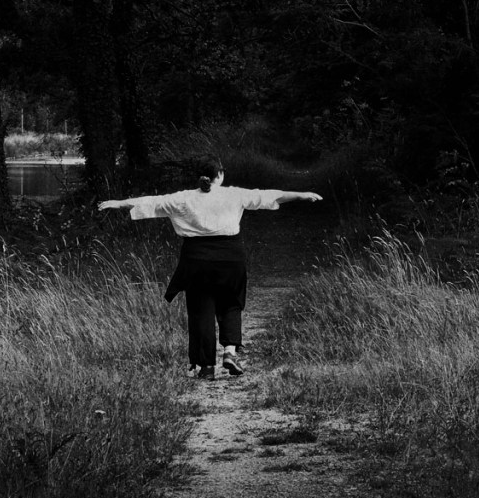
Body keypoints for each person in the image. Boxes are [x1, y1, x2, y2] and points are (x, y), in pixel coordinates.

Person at [98, 156, 322, 380]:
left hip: (196, 259)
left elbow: (151, 202)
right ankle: (230, 352)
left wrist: (118, 203)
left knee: (200, 310)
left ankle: (206, 367)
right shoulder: (234, 194)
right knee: (231, 303)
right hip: (230, 257)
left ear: (199, 176)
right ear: (220, 175)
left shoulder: (183, 198)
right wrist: (301, 195)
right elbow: (270, 195)